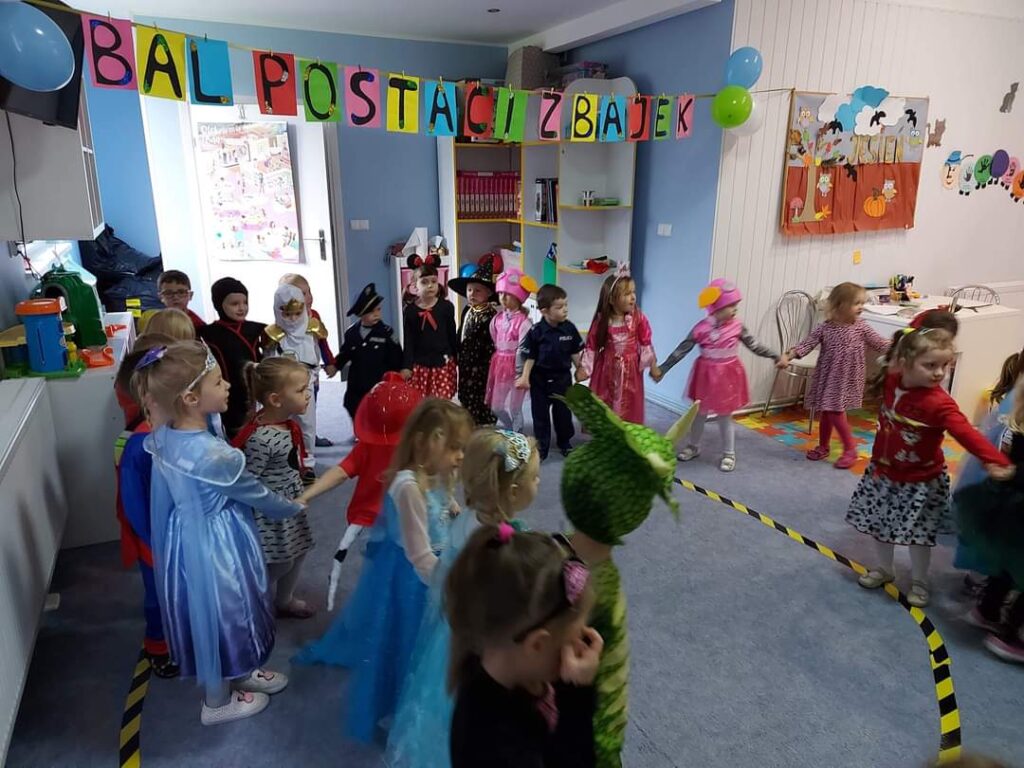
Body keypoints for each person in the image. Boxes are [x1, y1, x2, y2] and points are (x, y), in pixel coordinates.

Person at [134, 341, 305, 725]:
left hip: (184, 540)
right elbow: (258, 495)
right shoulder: (217, 456)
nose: (228, 385)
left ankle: (240, 669)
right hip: (218, 544)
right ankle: (217, 703)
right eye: (217, 381)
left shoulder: (167, 435)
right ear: (191, 398)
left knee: (218, 612)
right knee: (230, 609)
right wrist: (293, 505)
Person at [294, 399, 473, 742]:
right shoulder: (408, 487)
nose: (460, 457)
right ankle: (401, 705)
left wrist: (455, 513)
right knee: (408, 639)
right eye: (454, 448)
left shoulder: (434, 476)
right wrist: (451, 584)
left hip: (433, 570)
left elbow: (445, 511)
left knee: (429, 642)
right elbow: (419, 555)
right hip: (416, 579)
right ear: (426, 442)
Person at [387, 428, 541, 768]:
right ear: (514, 492)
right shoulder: (499, 541)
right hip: (481, 633)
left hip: (455, 625)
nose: (539, 482)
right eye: (535, 477)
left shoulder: (471, 517)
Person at [560, 383, 694, 768]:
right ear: (634, 511)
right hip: (576, 727)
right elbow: (612, 675)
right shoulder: (604, 586)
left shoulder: (544, 549)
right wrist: (607, 745)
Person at [847, 328, 1012, 607]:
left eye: (945, 366)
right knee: (880, 525)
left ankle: (920, 580)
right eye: (930, 365)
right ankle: (885, 569)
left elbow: (966, 433)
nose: (939, 373)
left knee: (918, 535)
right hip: (883, 474)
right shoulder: (892, 381)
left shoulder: (940, 403)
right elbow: (888, 360)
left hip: (920, 482)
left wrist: (995, 460)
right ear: (905, 363)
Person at [447, 525, 603, 768]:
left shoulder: (510, 662)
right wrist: (577, 696)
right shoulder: (492, 746)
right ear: (537, 644)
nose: (582, 645)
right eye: (576, 638)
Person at [298, 372, 422, 609]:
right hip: (397, 521)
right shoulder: (415, 448)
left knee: (382, 568)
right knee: (403, 567)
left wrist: (307, 494)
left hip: (373, 522)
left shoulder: (369, 448)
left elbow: (340, 472)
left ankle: (384, 603)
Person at [656, 278, 778, 472]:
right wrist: (663, 368)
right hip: (705, 377)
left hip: (727, 377)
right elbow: (682, 350)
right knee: (699, 414)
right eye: (731, 305)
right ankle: (694, 446)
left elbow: (755, 345)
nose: (735, 309)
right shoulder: (700, 328)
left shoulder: (737, 327)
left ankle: (729, 453)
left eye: (736, 305)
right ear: (716, 308)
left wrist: (774, 356)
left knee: (724, 416)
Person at [113, 333, 181, 679]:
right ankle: (158, 646)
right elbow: (134, 505)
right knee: (159, 596)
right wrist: (154, 541)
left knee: (182, 592)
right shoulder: (139, 446)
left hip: (181, 532)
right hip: (155, 539)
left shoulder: (177, 431)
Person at [231, 357, 316, 619]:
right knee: (281, 562)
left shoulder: (288, 425)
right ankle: (251, 601)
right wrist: (276, 504)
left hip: (289, 502)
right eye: (300, 390)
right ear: (276, 400)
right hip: (270, 512)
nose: (308, 394)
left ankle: (284, 599)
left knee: (299, 551)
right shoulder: (261, 438)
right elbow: (248, 482)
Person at [777, 282, 891, 469]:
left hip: (848, 377)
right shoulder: (825, 328)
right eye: (857, 303)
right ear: (840, 305)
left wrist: (899, 345)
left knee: (834, 411)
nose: (861, 307)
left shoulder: (861, 327)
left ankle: (850, 449)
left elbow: (880, 343)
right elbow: (806, 345)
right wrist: (787, 356)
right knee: (827, 410)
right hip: (828, 375)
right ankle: (824, 446)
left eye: (862, 303)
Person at [954, 375, 1024, 663]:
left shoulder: (1015, 426)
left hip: (1009, 509)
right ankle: (1012, 637)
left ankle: (987, 610)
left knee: (1007, 565)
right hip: (1018, 508)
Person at [262, 284, 326, 482]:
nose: (292, 319)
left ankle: (308, 463)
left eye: (297, 313)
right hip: (281, 388)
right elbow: (268, 360)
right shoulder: (273, 334)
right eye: (287, 314)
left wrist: (315, 375)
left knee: (307, 424)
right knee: (282, 424)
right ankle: (286, 461)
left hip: (305, 385)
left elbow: (317, 353)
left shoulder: (312, 328)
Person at [517, 284, 587, 460]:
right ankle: (542, 446)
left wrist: (580, 369)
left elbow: (574, 352)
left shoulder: (569, 328)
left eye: (566, 305)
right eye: (559, 307)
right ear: (544, 311)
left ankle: (565, 442)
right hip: (539, 380)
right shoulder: (536, 331)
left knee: (563, 414)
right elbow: (530, 357)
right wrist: (525, 377)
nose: (565, 310)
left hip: (562, 380)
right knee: (540, 416)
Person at [582, 267, 659, 425]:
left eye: (633, 292)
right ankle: (607, 433)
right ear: (611, 299)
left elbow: (645, 343)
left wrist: (653, 367)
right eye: (627, 294)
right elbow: (592, 346)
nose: (633, 297)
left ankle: (627, 432)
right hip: (607, 369)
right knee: (605, 403)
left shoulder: (638, 318)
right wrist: (585, 369)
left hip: (631, 371)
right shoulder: (603, 321)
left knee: (629, 407)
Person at [198, 277, 266, 438]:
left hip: (256, 389)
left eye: (245, 302)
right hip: (228, 391)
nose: (242, 308)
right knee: (234, 431)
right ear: (219, 304)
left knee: (257, 428)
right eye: (234, 304)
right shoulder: (208, 333)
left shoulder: (257, 329)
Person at [280, 273, 338, 447]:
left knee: (311, 402)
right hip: (292, 372)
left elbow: (322, 341)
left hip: (312, 370)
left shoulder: (314, 317)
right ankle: (293, 437)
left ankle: (310, 434)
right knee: (293, 406)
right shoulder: (284, 319)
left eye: (309, 292)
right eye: (303, 294)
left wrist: (330, 362)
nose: (309, 298)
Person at [335, 282, 403, 424]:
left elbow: (396, 356)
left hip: (378, 383)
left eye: (378, 310)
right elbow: (345, 353)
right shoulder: (351, 333)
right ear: (361, 314)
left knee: (379, 412)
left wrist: (400, 373)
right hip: (357, 383)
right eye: (371, 311)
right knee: (353, 406)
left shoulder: (386, 332)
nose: (376, 314)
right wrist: (335, 366)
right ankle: (359, 428)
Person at [450, 259, 499, 425]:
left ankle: (484, 423)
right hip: (466, 362)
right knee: (465, 392)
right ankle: (468, 419)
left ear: (489, 293)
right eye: (469, 290)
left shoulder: (491, 316)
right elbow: (461, 332)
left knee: (482, 395)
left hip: (482, 366)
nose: (472, 294)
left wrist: (488, 364)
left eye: (477, 290)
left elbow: (492, 344)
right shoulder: (467, 310)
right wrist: (457, 351)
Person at [487, 268, 537, 432]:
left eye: (508, 294)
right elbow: (494, 336)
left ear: (518, 297)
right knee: (496, 406)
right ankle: (509, 426)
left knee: (515, 407)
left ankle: (517, 433)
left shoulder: (523, 322)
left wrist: (521, 372)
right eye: (501, 293)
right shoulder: (497, 319)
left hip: (516, 367)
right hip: (500, 365)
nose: (503, 298)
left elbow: (524, 348)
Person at [402, 263, 459, 399]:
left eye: (434, 281)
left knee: (442, 402)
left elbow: (452, 334)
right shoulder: (410, 311)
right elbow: (408, 340)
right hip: (420, 365)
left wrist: (457, 357)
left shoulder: (446, 307)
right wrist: (407, 366)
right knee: (420, 402)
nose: (430, 286)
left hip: (442, 363)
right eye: (424, 282)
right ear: (415, 285)